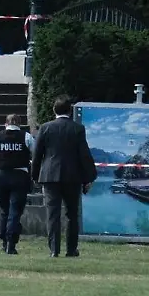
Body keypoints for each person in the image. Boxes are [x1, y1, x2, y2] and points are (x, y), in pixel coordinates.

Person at [30, 95, 97, 258]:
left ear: (54, 110)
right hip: (72, 176)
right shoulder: (77, 129)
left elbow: (37, 155)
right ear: (70, 111)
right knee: (72, 214)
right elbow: (84, 154)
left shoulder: (45, 128)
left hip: (50, 175)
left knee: (53, 214)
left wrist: (35, 176)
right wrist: (89, 177)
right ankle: (71, 249)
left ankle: (54, 249)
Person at [0, 113, 35, 255]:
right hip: (20, 176)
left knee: (5, 210)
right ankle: (11, 243)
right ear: (19, 124)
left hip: (2, 175)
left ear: (6, 124)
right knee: (15, 211)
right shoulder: (26, 137)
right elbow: (36, 153)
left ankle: (4, 241)